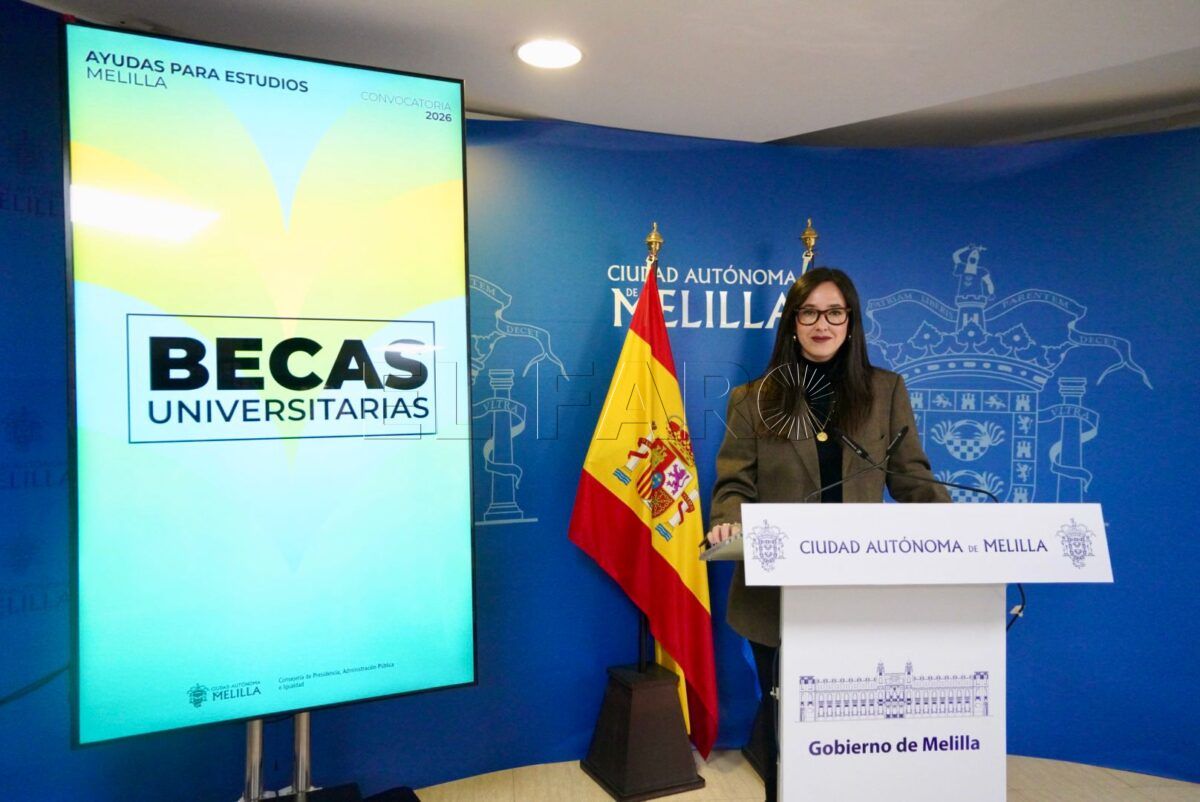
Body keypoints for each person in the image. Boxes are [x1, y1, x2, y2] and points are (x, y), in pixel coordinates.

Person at [706, 267, 949, 802]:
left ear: (851, 321)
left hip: (858, 591)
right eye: (810, 312)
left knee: (852, 730)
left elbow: (911, 478)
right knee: (785, 727)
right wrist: (728, 517)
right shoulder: (753, 399)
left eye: (834, 312)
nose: (822, 324)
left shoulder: (885, 391)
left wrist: (958, 528)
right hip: (776, 595)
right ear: (793, 323)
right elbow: (734, 485)